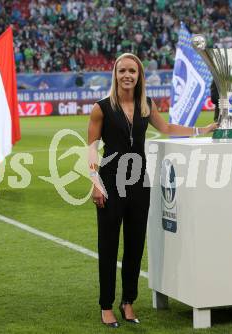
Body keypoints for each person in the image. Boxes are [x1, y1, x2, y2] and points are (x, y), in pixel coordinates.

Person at [87, 53, 216, 328]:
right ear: (115, 74)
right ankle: (106, 305)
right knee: (108, 247)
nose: (127, 75)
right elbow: (90, 147)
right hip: (110, 183)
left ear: (139, 75)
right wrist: (94, 182)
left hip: (139, 184)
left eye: (132, 71)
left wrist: (200, 129)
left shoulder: (146, 104)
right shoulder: (101, 108)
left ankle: (128, 302)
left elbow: (167, 127)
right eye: (122, 70)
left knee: (135, 246)